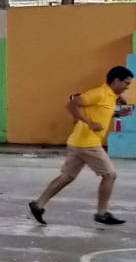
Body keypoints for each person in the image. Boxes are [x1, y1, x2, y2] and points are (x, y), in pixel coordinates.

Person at [29, 66, 135, 228]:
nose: (127, 87)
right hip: (87, 143)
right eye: (126, 83)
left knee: (67, 177)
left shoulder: (110, 96)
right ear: (116, 80)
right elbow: (71, 105)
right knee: (110, 175)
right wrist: (89, 122)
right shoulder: (99, 93)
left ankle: (38, 204)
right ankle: (102, 214)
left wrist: (118, 114)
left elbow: (99, 112)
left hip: (78, 141)